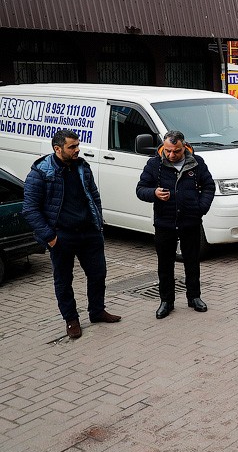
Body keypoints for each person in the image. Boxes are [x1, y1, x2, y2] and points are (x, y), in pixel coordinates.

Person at [22, 129, 121, 339]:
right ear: (58, 149)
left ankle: (97, 311)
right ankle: (71, 319)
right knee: (64, 280)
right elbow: (30, 209)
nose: (77, 150)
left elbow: (94, 195)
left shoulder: (82, 167)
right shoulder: (40, 173)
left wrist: (97, 222)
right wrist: (50, 237)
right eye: (72, 147)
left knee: (98, 274)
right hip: (61, 236)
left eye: (78, 145)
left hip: (89, 233)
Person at [136, 130, 215, 319]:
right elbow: (140, 189)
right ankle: (166, 301)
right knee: (165, 265)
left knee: (192, 262)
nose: (171, 155)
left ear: (184, 147)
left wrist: (200, 208)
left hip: (190, 222)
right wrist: (154, 193)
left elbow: (209, 186)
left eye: (176, 151)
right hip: (165, 222)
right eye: (168, 150)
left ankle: (194, 297)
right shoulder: (154, 164)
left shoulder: (197, 163)